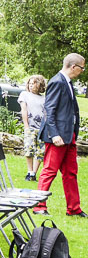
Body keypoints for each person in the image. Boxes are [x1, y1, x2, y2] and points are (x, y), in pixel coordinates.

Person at [35, 53, 85, 216]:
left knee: (71, 173)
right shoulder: (57, 81)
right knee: (49, 171)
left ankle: (74, 209)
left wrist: (73, 135)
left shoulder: (68, 83)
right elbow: (49, 110)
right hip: (56, 136)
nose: (82, 71)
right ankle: (39, 206)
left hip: (69, 136)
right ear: (73, 67)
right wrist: (55, 135)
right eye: (82, 68)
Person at [19, 74, 47, 182]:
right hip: (30, 127)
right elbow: (24, 110)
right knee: (29, 149)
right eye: (30, 84)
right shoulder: (24, 95)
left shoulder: (44, 99)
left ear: (39, 85)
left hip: (41, 129)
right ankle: (29, 171)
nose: (31, 86)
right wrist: (26, 125)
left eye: (34, 84)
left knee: (40, 151)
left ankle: (34, 173)